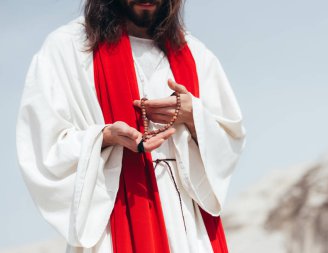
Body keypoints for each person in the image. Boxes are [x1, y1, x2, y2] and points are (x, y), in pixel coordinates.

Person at [16, 0, 246, 252]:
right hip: (116, 215)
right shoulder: (69, 48)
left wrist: (195, 116)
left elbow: (230, 139)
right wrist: (103, 137)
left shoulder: (195, 53)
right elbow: (42, 146)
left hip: (188, 223)